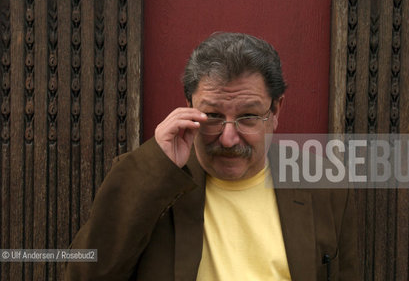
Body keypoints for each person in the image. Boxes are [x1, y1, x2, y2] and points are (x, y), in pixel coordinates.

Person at [65, 32, 358, 280]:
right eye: (213, 115)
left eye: (248, 116)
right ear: (188, 106)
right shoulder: (150, 179)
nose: (229, 138)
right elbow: (85, 275)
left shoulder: (323, 186)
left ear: (276, 111)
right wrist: (156, 163)